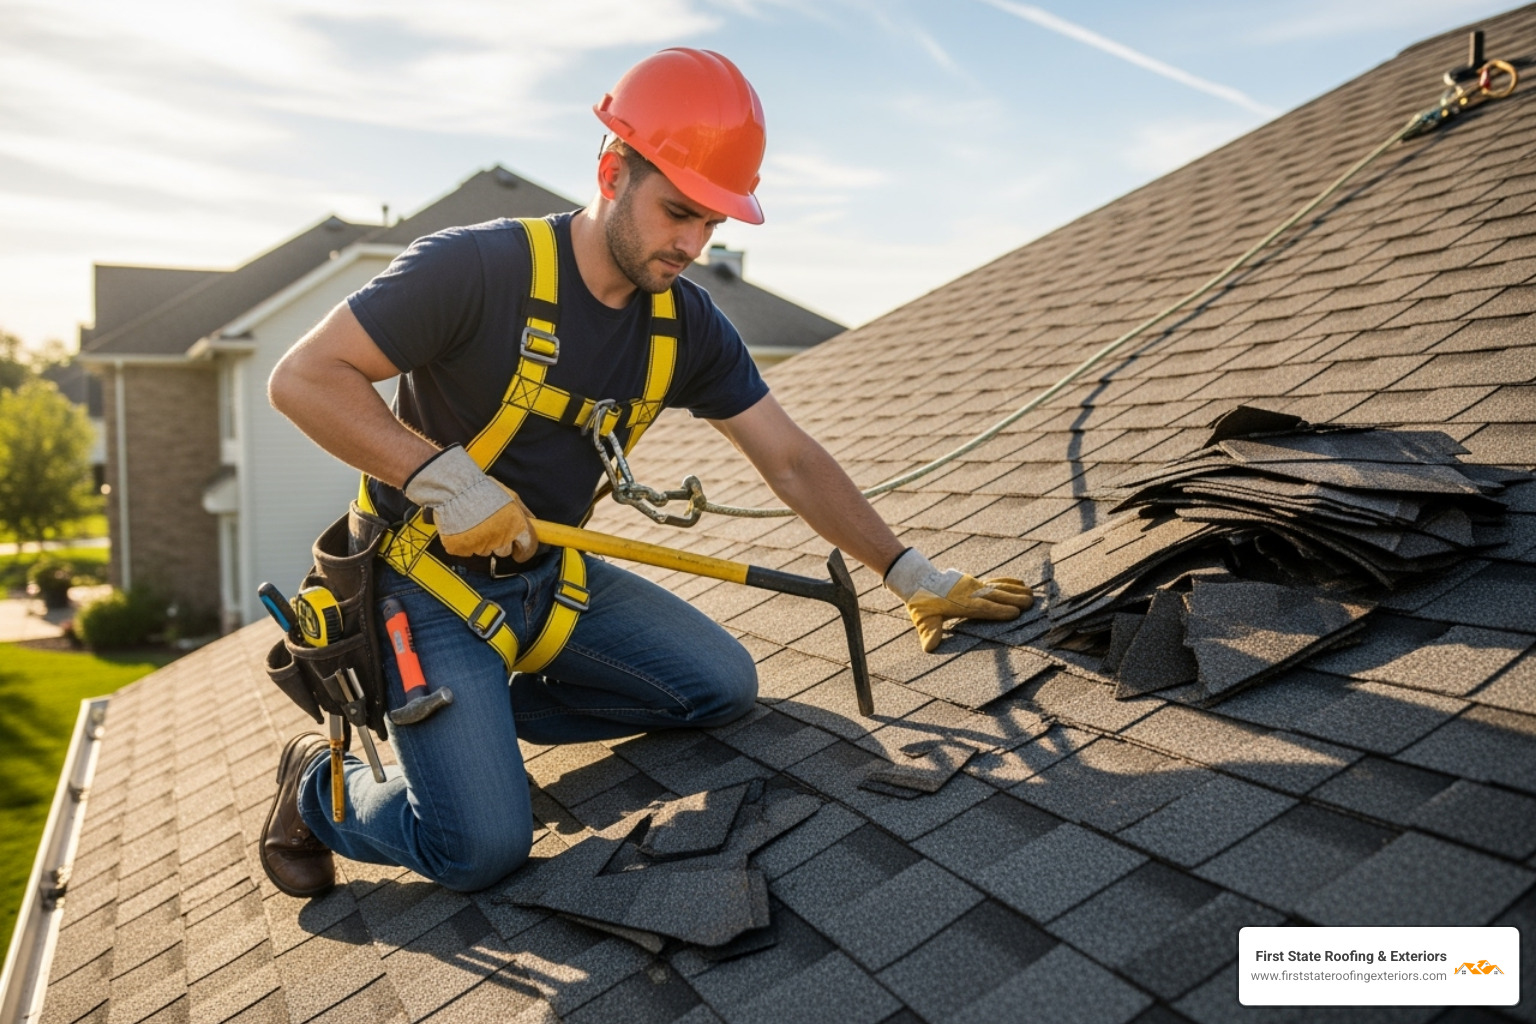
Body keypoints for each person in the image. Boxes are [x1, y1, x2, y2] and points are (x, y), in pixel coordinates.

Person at [261, 47, 1032, 898]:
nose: (693, 245)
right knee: (478, 851)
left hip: (548, 579)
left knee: (721, 689)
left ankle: (468, 736)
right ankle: (320, 790)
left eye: (712, 224)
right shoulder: (478, 269)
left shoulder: (685, 326)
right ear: (611, 169)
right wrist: (444, 479)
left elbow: (791, 456)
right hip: (424, 584)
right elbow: (303, 377)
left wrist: (907, 571)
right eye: (678, 212)